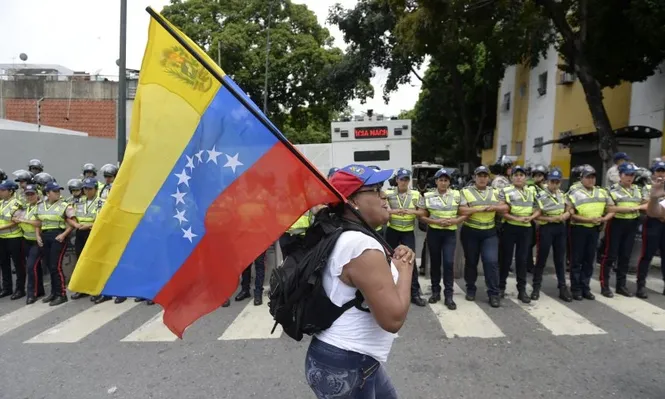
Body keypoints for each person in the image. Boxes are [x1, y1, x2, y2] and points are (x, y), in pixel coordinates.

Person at [304, 164, 415, 399]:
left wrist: (396, 259)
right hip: (346, 363)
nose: (384, 195)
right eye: (375, 190)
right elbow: (393, 319)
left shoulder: (346, 234)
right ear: (352, 200)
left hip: (354, 360)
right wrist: (405, 270)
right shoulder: (359, 245)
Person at [417, 168, 466, 309]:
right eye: (441, 180)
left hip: (449, 233)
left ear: (449, 182)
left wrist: (456, 221)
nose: (443, 183)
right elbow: (421, 216)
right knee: (435, 263)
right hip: (434, 233)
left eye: (446, 180)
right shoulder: (427, 195)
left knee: (449, 263)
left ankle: (449, 295)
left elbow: (465, 212)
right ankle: (435, 292)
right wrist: (435, 222)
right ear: (436, 181)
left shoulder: (457, 194)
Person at [458, 166, 507, 307]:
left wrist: (494, 208)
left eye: (485, 176)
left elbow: (505, 208)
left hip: (489, 233)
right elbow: (461, 209)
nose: (482, 178)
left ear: (489, 178)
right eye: (480, 175)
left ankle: (493, 293)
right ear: (474, 177)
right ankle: (471, 288)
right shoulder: (465, 191)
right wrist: (478, 209)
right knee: (471, 262)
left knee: (491, 262)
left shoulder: (496, 192)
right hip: (470, 232)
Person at [567, 166, 614, 300]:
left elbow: (611, 209)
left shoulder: (602, 192)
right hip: (579, 229)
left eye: (593, 177)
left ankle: (585, 287)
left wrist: (604, 219)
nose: (591, 180)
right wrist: (587, 219)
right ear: (581, 178)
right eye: (587, 177)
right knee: (577, 260)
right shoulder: (574, 192)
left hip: (594, 230)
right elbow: (570, 212)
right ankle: (575, 289)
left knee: (589, 259)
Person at [599, 163, 646, 298]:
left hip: (632, 224)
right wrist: (631, 208)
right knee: (610, 255)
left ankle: (621, 285)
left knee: (625, 256)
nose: (629, 178)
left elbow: (646, 203)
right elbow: (610, 208)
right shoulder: (611, 190)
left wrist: (638, 207)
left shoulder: (637, 189)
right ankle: (605, 285)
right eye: (627, 175)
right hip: (616, 224)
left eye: (632, 175)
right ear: (620, 175)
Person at [384, 168, 426, 306]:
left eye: (406, 179)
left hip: (408, 231)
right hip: (392, 230)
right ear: (396, 180)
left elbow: (422, 212)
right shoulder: (388, 193)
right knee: (388, 261)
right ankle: (389, 291)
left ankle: (414, 292)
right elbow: (384, 210)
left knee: (410, 261)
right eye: (401, 179)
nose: (404, 182)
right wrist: (396, 211)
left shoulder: (415, 194)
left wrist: (412, 211)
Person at [498, 166, 540, 303]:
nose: (518, 177)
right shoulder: (505, 191)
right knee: (505, 259)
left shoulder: (531, 191)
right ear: (511, 177)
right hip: (509, 227)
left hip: (526, 229)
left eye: (521, 175)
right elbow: (502, 211)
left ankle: (521, 290)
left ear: (526, 178)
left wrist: (532, 217)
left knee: (522, 260)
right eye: (516, 175)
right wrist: (517, 218)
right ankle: (501, 288)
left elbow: (538, 208)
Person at [532, 169, 572, 302]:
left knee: (560, 259)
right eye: (552, 182)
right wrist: (551, 219)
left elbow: (569, 208)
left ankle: (562, 288)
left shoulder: (562, 194)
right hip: (546, 227)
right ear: (547, 182)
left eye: (557, 182)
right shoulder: (540, 196)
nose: (555, 184)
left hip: (560, 228)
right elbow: (536, 216)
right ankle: (536, 287)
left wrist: (566, 215)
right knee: (541, 259)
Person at [35, 182, 75, 306]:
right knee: (49, 265)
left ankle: (61, 294)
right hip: (45, 236)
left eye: (59, 191)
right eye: (55, 191)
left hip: (58, 236)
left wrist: (63, 235)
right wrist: (37, 235)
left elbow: (73, 223)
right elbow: (38, 222)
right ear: (47, 193)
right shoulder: (40, 205)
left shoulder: (65, 205)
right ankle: (53, 293)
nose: (58, 193)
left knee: (55, 266)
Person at [636, 161, 665, 298]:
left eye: (663, 171)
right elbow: (643, 205)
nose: (661, 174)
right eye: (658, 171)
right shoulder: (646, 187)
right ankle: (641, 284)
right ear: (653, 173)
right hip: (652, 223)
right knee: (647, 255)